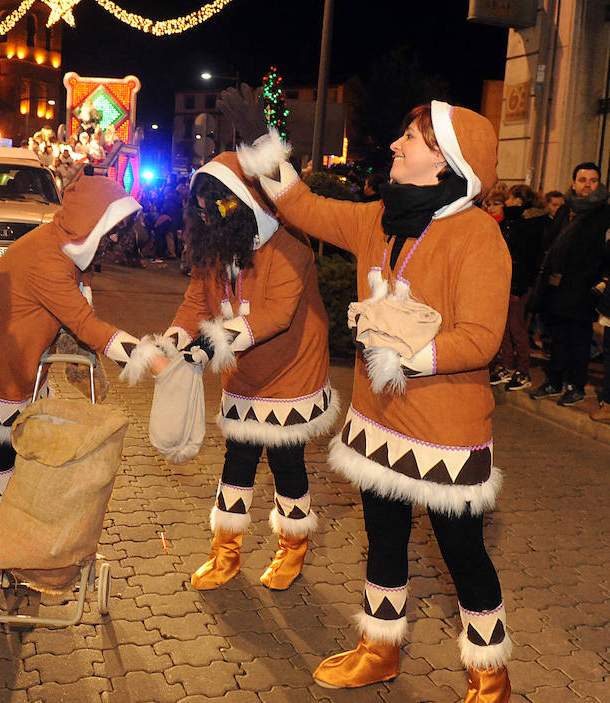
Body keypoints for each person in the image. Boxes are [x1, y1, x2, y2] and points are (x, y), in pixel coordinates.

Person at [238, 101, 513, 699]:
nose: (394, 144)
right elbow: (305, 207)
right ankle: (379, 648)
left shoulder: (477, 236)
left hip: (446, 429)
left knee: (462, 554)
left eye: (409, 137)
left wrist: (403, 346)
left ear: (444, 157)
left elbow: (483, 337)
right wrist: (265, 147)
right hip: (377, 419)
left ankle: (490, 675)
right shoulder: (377, 220)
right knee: (384, 540)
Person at [147, 152, 336, 592]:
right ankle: (225, 550)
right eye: (202, 207)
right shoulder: (217, 249)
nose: (208, 215)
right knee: (238, 459)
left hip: (291, 375)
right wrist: (174, 341)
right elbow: (197, 301)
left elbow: (276, 316)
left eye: (218, 204)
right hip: (243, 375)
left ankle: (293, 547)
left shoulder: (290, 249)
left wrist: (208, 346)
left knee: (287, 463)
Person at [0, 170, 145, 518]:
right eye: (110, 234)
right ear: (94, 224)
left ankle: (5, 528)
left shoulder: (61, 246)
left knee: (9, 445)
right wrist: (145, 358)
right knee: (3, 445)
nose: (113, 243)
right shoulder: (49, 258)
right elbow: (83, 323)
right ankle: (2, 531)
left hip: (18, 359)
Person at [530, 162, 610, 406]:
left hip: (584, 287)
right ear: (574, 183)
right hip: (557, 286)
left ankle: (576, 386)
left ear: (599, 183)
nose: (587, 185)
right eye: (582, 180)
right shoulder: (567, 209)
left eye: (593, 180)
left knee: (579, 340)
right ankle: (554, 381)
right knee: (557, 336)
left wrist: (601, 282)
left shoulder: (604, 213)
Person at [489, 184, 545, 391]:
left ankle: (523, 371)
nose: (507, 202)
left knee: (517, 328)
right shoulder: (512, 222)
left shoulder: (529, 224)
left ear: (520, 201)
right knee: (503, 328)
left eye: (511, 198)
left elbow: (526, 260)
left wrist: (517, 288)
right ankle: (506, 366)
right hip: (504, 283)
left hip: (518, 285)